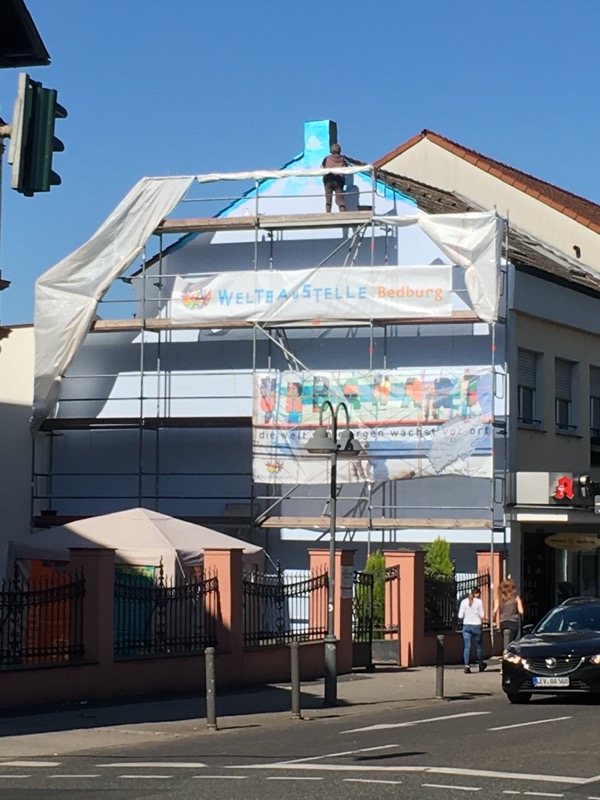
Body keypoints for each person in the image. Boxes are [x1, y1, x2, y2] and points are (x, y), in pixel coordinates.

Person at [458, 586, 486, 673]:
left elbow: (460, 616)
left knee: (467, 646)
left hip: (466, 626)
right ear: (477, 594)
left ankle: (467, 666)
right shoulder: (479, 602)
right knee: (478, 646)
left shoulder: (463, 602)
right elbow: (482, 615)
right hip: (476, 626)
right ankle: (480, 664)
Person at [494, 577, 524, 646]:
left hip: (503, 623)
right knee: (511, 641)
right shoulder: (516, 598)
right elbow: (521, 611)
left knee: (505, 640)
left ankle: (506, 650)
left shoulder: (499, 599)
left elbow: (494, 611)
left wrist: (494, 621)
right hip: (513, 623)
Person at [321, 143, 347, 213]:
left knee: (328, 198)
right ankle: (342, 212)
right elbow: (346, 168)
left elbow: (322, 168)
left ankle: (328, 212)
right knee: (340, 199)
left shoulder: (327, 158)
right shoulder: (343, 159)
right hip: (339, 181)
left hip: (328, 180)